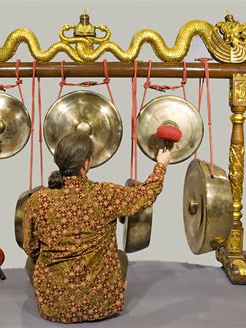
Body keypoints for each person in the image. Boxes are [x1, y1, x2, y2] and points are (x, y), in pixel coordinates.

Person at [23, 131, 171, 324]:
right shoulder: (104, 195)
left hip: (53, 310)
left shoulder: (38, 200)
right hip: (102, 306)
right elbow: (146, 194)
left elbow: (30, 247)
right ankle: (112, 292)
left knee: (31, 262)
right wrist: (161, 165)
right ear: (86, 163)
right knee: (121, 257)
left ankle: (55, 296)